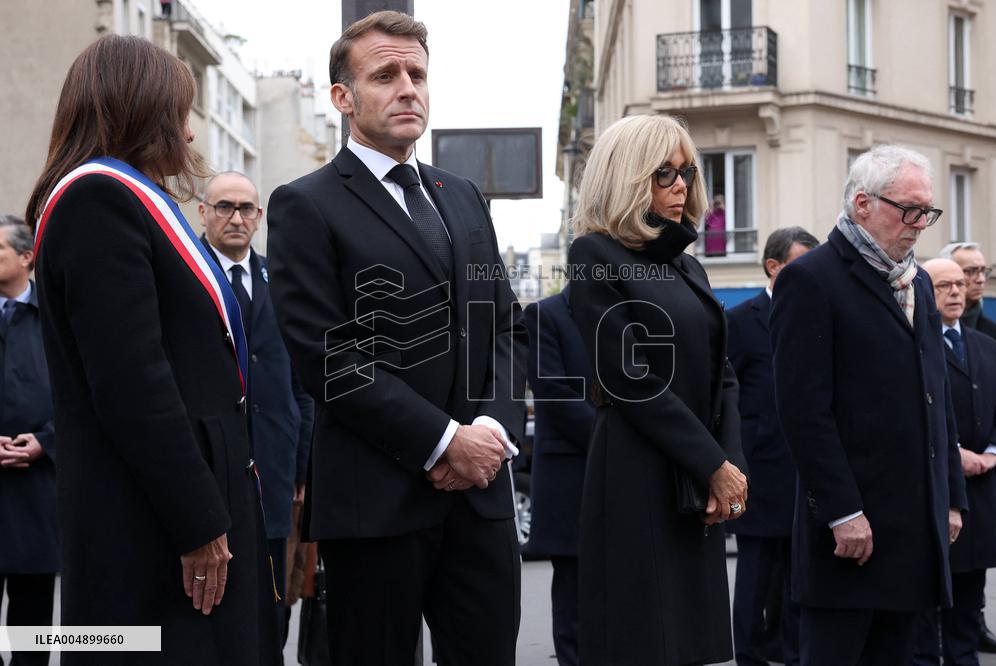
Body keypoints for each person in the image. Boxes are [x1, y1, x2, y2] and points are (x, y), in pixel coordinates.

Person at [266, 11, 527, 665]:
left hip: (480, 499)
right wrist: (442, 442)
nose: (409, 87)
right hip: (376, 507)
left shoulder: (463, 196)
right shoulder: (306, 204)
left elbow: (506, 325)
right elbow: (325, 355)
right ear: (343, 99)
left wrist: (488, 434)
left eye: (417, 73)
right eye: (386, 74)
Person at [26, 34, 277, 665]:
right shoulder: (97, 199)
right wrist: (197, 520)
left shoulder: (126, 198)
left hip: (179, 502)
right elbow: (132, 382)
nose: (189, 135)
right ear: (142, 109)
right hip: (154, 523)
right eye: (181, 114)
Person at [770, 144, 966, 666]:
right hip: (850, 537)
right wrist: (842, 512)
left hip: (913, 532)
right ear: (862, 204)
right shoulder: (810, 279)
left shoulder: (919, 281)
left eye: (928, 211)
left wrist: (949, 496)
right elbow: (803, 412)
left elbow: (936, 397)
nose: (920, 223)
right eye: (909, 209)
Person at [567, 114, 749, 665]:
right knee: (643, 640)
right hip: (637, 472)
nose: (681, 187)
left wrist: (728, 466)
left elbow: (724, 375)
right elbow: (630, 379)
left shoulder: (688, 265)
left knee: (691, 640)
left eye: (687, 173)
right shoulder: (593, 256)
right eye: (664, 174)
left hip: (697, 477)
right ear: (627, 177)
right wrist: (713, 463)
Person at [198, 171, 314, 646]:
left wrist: (303, 466)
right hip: (211, 467)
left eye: (246, 208)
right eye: (224, 206)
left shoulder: (280, 281)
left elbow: (302, 384)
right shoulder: (188, 275)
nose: (236, 217)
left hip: (275, 468)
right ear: (203, 213)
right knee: (215, 601)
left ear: (260, 217)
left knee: (274, 601)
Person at [727, 226, 819, 666]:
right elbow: (724, 392)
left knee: (796, 569)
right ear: (773, 267)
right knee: (756, 569)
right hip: (759, 468)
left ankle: (790, 650)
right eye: (800, 266)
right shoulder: (741, 319)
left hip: (805, 466)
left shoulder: (818, 314)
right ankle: (748, 652)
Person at [912, 258, 996, 666]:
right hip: (935, 487)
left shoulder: (986, 345)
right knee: (926, 609)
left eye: (959, 285)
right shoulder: (914, 341)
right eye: (943, 285)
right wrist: (955, 454)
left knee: (969, 598)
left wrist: (991, 453)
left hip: (981, 490)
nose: (954, 292)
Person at [524, 284, 593, 666]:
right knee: (574, 600)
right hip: (571, 480)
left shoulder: (627, 310)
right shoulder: (544, 314)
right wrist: (615, 441)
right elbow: (553, 391)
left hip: (623, 479)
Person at [0, 215, 58, 666]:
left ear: (26, 257)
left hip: (39, 496)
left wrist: (45, 442)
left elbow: (82, 401)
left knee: (32, 631)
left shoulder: (55, 322)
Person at [940, 243, 996, 346]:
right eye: (971, 271)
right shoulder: (922, 327)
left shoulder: (993, 334)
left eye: (983, 271)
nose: (981, 279)